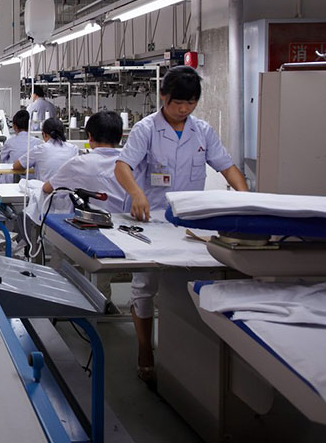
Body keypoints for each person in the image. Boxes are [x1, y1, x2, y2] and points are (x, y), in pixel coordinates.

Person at [114, 65, 249, 383]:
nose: (184, 109)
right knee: (144, 287)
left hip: (191, 222)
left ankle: (189, 353)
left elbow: (227, 167)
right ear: (164, 97)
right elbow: (122, 167)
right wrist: (136, 193)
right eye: (178, 103)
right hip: (153, 219)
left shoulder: (202, 131)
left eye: (191, 103)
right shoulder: (146, 129)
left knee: (193, 282)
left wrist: (247, 200)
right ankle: (145, 349)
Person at [42, 111, 129, 214]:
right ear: (120, 137)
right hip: (124, 222)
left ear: (90, 136)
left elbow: (47, 188)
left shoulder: (77, 164)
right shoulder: (131, 166)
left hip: (89, 221)